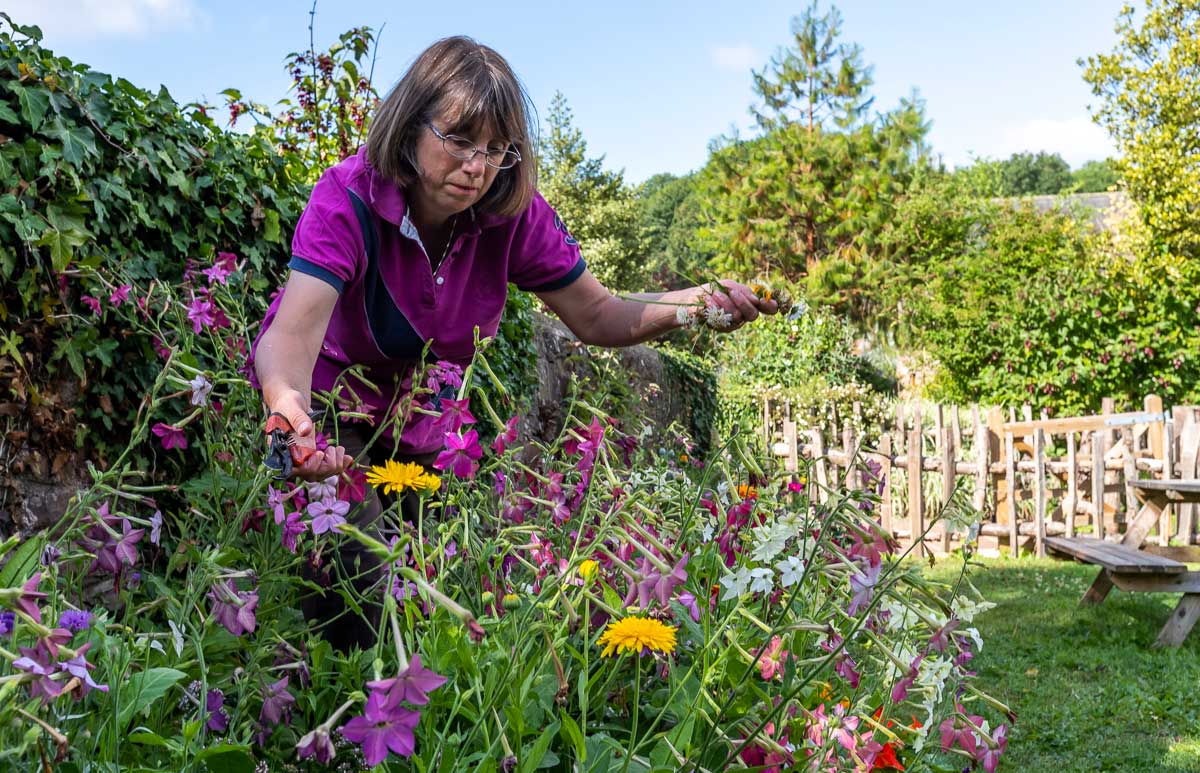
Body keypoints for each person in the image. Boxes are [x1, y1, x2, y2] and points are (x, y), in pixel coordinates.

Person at [250, 35, 776, 647]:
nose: (478, 166)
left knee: (433, 596)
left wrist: (699, 304)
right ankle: (333, 727)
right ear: (411, 125)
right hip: (330, 412)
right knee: (358, 584)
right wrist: (288, 410)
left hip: (422, 426)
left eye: (497, 149)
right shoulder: (347, 199)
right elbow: (289, 336)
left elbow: (600, 313)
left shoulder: (513, 215)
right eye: (460, 140)